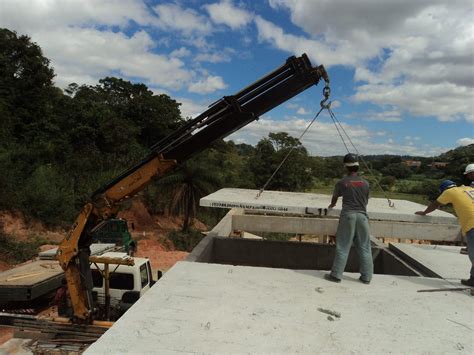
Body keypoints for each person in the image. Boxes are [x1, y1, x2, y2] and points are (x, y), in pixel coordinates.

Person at [325, 153, 373, 284]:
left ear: (346, 167)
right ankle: (367, 277)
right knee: (364, 247)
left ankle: (336, 275)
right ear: (357, 166)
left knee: (343, 246)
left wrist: (332, 205)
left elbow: (334, 198)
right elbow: (366, 200)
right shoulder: (366, 183)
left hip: (348, 216)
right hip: (362, 217)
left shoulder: (342, 182)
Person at [415, 180, 474, 286]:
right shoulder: (469, 189)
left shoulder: (449, 192)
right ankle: (473, 280)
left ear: (443, 190)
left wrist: (424, 212)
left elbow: (436, 204)